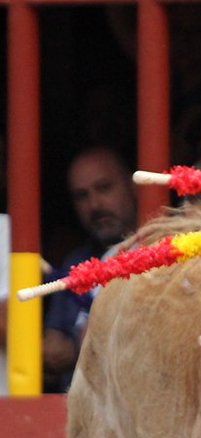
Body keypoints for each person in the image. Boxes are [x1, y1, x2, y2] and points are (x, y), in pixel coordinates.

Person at [43, 146, 138, 393]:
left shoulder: (171, 249)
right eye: (82, 196)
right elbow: (56, 339)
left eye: (104, 188)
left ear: (134, 185)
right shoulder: (77, 262)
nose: (95, 204)